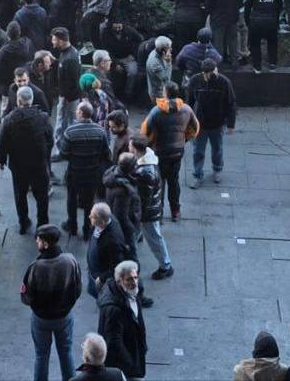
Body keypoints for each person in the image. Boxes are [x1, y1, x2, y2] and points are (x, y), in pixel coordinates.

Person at [22, 224, 83, 381]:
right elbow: (78, 289)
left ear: (45, 244)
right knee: (66, 353)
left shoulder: (35, 268)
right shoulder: (70, 261)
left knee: (41, 356)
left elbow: (26, 297)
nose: (36, 241)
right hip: (64, 316)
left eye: (38, 239)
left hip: (41, 319)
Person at [0, 86, 55, 233]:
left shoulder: (9, 119)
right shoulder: (43, 118)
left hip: (18, 164)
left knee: (20, 194)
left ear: (18, 100)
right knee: (42, 195)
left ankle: (23, 222)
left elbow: (3, 142)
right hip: (38, 163)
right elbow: (50, 139)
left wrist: (2, 160)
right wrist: (46, 154)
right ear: (32, 100)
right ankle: (43, 224)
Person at [141, 84, 200, 222]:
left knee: (159, 183)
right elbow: (195, 128)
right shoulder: (186, 109)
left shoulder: (156, 111)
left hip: (159, 152)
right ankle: (175, 211)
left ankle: (159, 213)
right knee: (174, 181)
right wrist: (184, 139)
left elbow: (145, 131)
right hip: (177, 151)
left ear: (166, 93)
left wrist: (148, 144)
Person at [60, 101, 113, 239]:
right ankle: (87, 227)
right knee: (89, 200)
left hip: (74, 171)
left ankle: (72, 225)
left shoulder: (70, 131)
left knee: (72, 199)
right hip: (92, 172)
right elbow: (105, 153)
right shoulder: (100, 131)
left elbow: (63, 154)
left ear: (80, 113)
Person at [186, 59, 236, 188]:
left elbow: (231, 103)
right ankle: (197, 174)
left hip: (217, 122)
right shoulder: (195, 81)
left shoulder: (224, 82)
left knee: (217, 149)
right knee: (198, 150)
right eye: (211, 72)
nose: (214, 74)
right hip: (200, 123)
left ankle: (217, 169)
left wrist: (230, 124)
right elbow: (189, 102)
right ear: (204, 72)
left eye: (215, 70)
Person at [129, 136, 173, 280]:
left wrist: (138, 215)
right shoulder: (148, 161)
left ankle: (165, 266)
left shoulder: (145, 172)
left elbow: (143, 199)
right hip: (150, 210)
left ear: (135, 149)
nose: (129, 148)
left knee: (154, 237)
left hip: (148, 213)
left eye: (130, 146)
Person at [96, 260, 149, 380]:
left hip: (133, 352)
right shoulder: (114, 309)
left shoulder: (132, 292)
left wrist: (143, 346)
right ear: (119, 281)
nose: (134, 282)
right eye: (129, 279)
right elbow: (114, 342)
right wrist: (130, 365)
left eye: (135, 278)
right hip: (123, 365)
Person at [144, 37, 174, 101]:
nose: (171, 49)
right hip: (159, 94)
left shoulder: (155, 52)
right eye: (168, 48)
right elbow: (167, 81)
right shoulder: (155, 63)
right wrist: (169, 63)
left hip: (160, 90)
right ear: (163, 50)